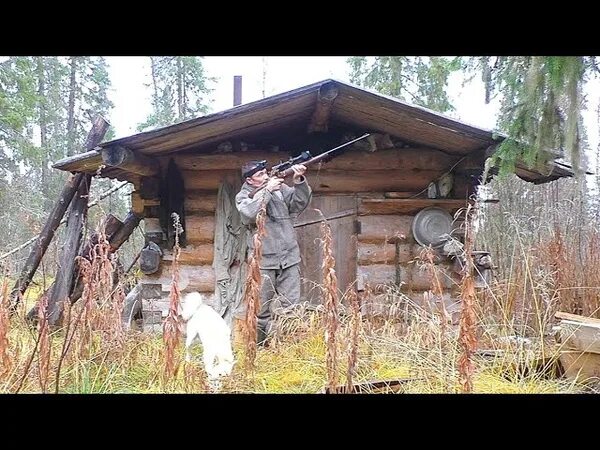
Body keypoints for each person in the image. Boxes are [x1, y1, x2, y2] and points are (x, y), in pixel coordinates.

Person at [235, 159, 312, 345]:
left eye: (265, 172)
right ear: (249, 180)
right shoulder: (243, 196)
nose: (265, 176)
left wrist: (299, 179)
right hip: (264, 262)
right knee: (261, 310)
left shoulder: (279, 189)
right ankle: (258, 348)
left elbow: (299, 203)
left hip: (289, 258)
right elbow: (250, 214)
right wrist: (267, 191)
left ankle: (290, 348)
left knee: (291, 307)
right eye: (260, 175)